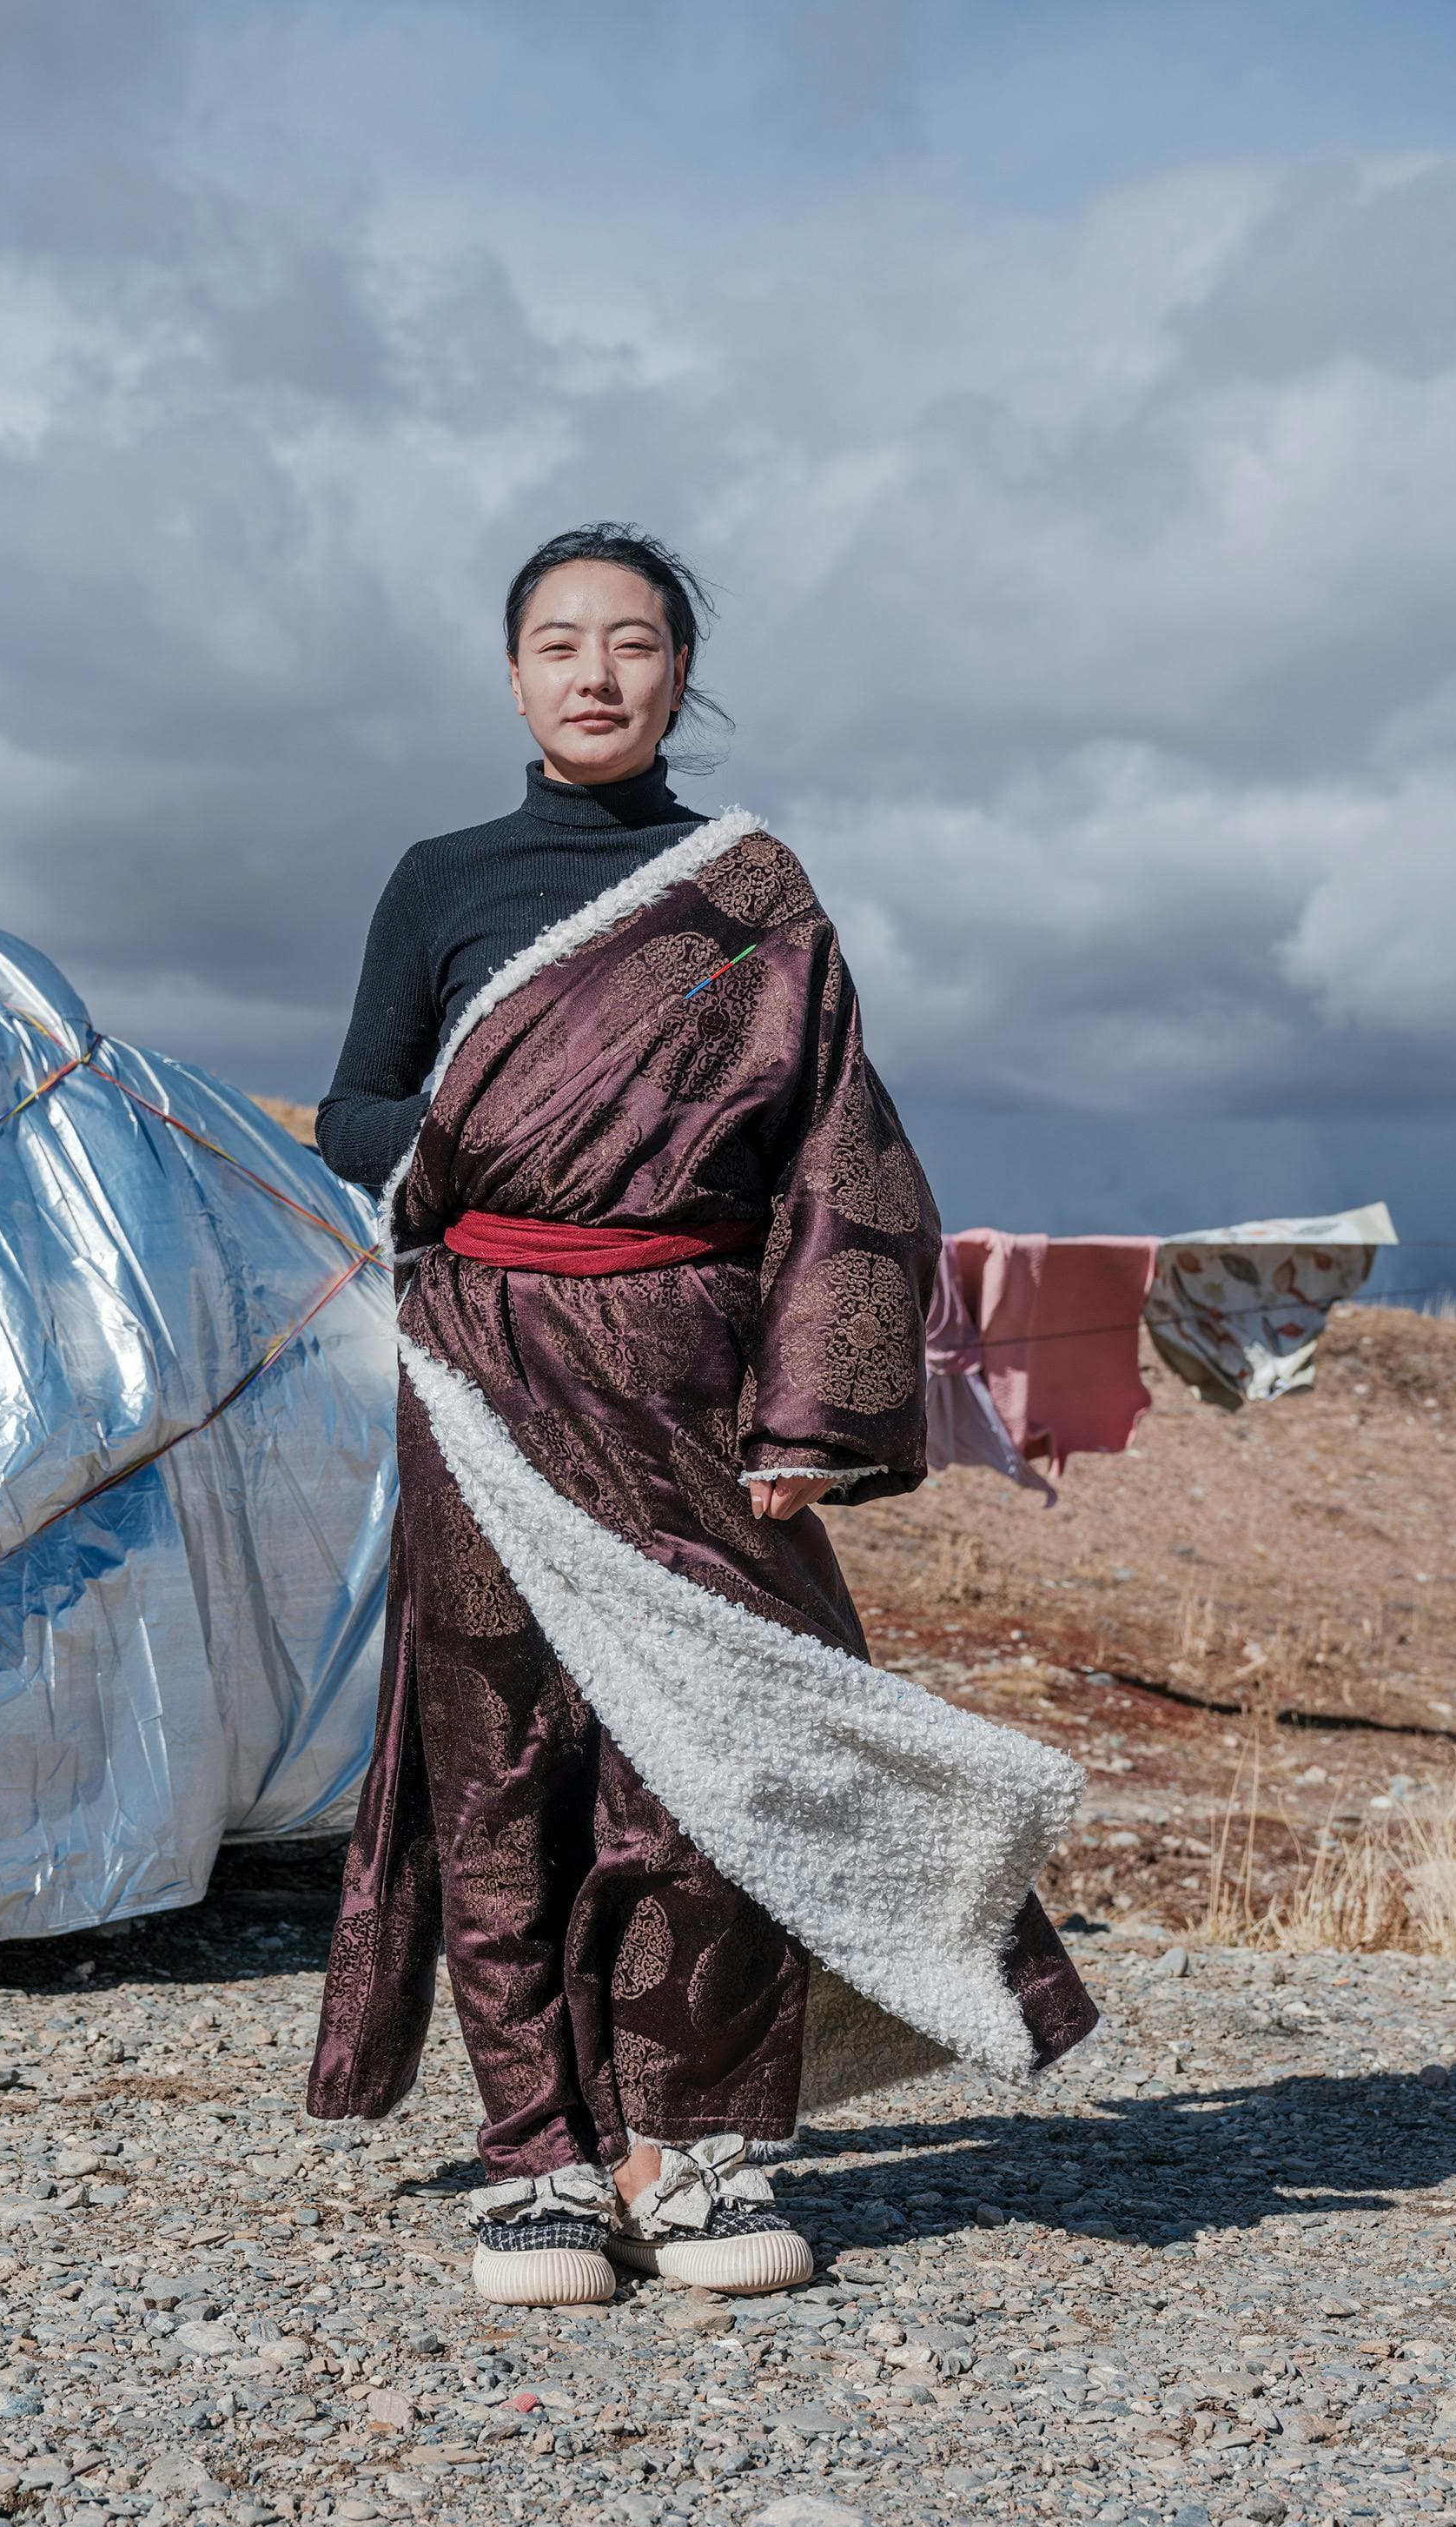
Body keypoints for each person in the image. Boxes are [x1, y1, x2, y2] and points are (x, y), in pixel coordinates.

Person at [310, 524, 1095, 2309]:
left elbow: (841, 1149)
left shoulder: (751, 893)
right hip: (484, 1368)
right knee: (502, 1766)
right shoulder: (441, 880)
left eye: (636, 642)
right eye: (561, 642)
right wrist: (441, 1149)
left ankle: (699, 2153)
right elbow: (353, 1105)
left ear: (681, 675)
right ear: (512, 674)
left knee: (717, 1761)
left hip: (695, 1366)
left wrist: (809, 1406)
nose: (597, 672)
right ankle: (544, 2166)